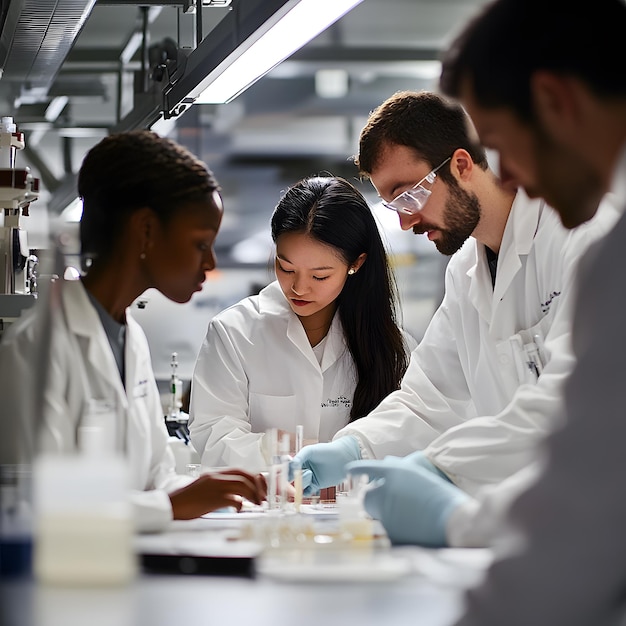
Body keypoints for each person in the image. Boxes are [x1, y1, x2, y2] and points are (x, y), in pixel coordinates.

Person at [292, 90, 618, 498]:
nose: (407, 219)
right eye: (394, 205)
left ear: (462, 165)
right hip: (535, 514)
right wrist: (349, 448)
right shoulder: (466, 273)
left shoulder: (583, 236)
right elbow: (429, 400)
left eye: (410, 194)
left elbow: (569, 402)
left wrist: (439, 467)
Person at [423, 0, 626, 624]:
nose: (507, 176)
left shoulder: (607, 251)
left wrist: (451, 512)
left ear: (555, 101)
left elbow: (585, 529)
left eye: (503, 147)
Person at [0, 130, 266, 533]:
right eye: (200, 244)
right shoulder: (33, 348)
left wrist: (215, 492)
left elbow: (157, 479)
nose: (210, 262)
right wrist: (172, 504)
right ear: (145, 230)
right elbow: (38, 510)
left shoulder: (131, 337)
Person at [188, 176, 415, 472]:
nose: (298, 288)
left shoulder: (393, 345)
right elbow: (213, 437)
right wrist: (291, 450)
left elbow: (409, 435)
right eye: (285, 267)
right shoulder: (234, 332)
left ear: (356, 264)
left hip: (355, 512)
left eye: (319, 276)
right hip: (267, 512)